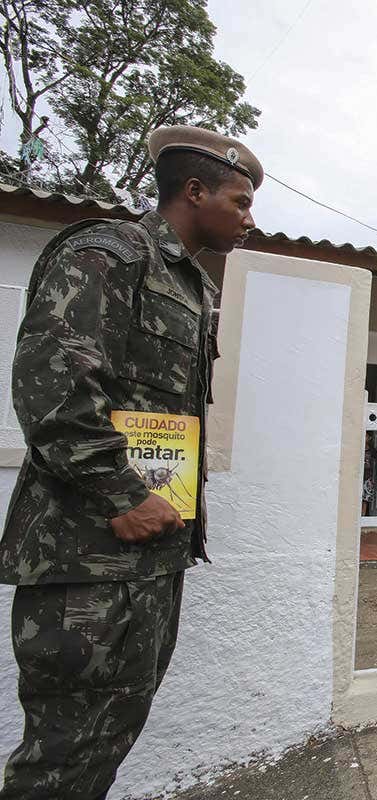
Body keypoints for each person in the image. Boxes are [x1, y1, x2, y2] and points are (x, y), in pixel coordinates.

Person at [0, 125, 261, 799]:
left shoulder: (195, 289)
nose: (249, 219)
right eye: (239, 201)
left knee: (110, 731)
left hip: (151, 552)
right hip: (86, 553)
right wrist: (122, 494)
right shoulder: (108, 254)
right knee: (63, 750)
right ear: (194, 191)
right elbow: (54, 385)